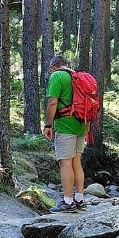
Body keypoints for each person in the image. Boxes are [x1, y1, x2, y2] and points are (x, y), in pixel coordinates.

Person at [43, 54, 87, 213]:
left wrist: (48, 125)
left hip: (65, 125)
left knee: (65, 163)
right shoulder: (76, 76)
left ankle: (68, 201)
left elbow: (52, 102)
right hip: (82, 124)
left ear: (52, 67)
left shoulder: (57, 76)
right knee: (77, 162)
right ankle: (79, 199)